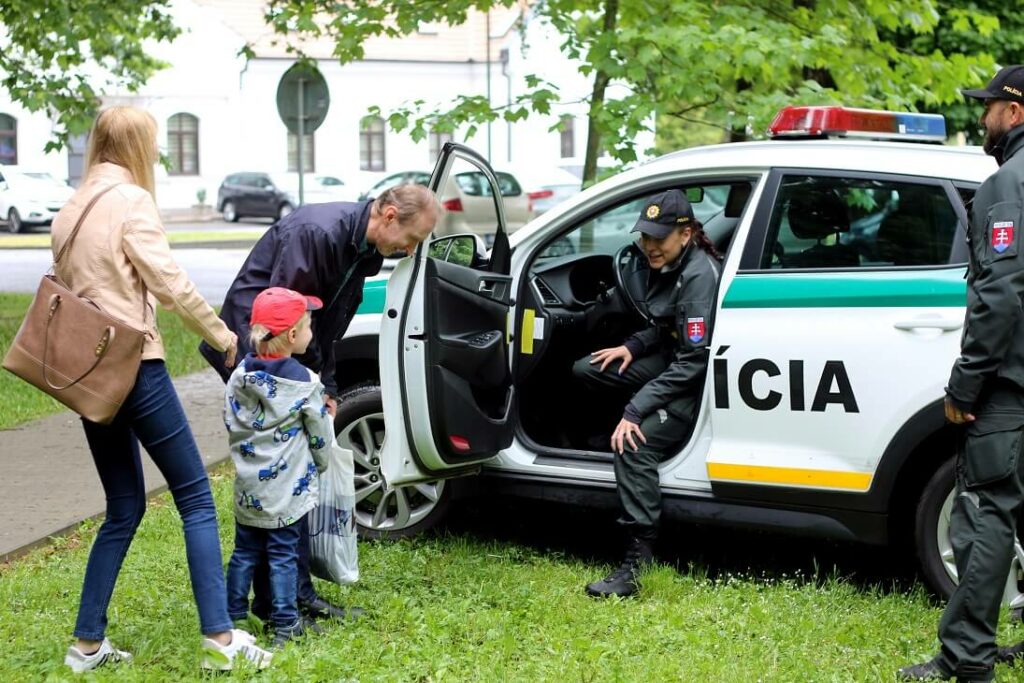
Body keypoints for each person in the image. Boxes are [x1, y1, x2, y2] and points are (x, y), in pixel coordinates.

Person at [54, 107, 271, 673]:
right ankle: (220, 639)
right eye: (152, 144)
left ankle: (86, 646)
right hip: (135, 367)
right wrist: (222, 334)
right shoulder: (130, 200)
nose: (154, 154)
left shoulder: (70, 208)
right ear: (137, 147)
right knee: (195, 497)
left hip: (88, 375)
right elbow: (169, 283)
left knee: (123, 507)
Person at [201, 183, 439, 622]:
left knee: (294, 482)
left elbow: (326, 328)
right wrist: (309, 386)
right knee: (282, 486)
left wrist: (326, 386)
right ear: (389, 216)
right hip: (260, 363)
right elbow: (285, 328)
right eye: (413, 238)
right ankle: (282, 603)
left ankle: (289, 596)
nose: (411, 250)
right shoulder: (317, 234)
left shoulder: (364, 250)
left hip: (290, 365)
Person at [900, 65, 1024, 682]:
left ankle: (967, 656)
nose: (983, 117)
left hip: (1010, 386)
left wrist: (967, 383)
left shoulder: (1008, 183)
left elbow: (1000, 296)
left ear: (1015, 112)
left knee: (984, 512)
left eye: (990, 106)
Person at [574, 189, 722, 598]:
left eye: (658, 237)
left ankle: (637, 563)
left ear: (686, 234)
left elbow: (694, 363)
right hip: (671, 362)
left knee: (634, 445)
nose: (649, 246)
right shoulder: (672, 262)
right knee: (588, 369)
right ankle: (604, 436)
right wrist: (631, 347)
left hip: (692, 384)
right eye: (644, 236)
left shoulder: (697, 277)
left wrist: (636, 410)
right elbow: (664, 326)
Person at [225, 287, 335, 648]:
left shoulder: (240, 374)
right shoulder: (305, 383)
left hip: (248, 488)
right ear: (292, 335)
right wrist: (322, 463)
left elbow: (230, 419)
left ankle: (232, 616)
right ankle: (286, 623)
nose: (311, 333)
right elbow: (319, 434)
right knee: (283, 556)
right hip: (287, 491)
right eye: (309, 326)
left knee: (244, 553)